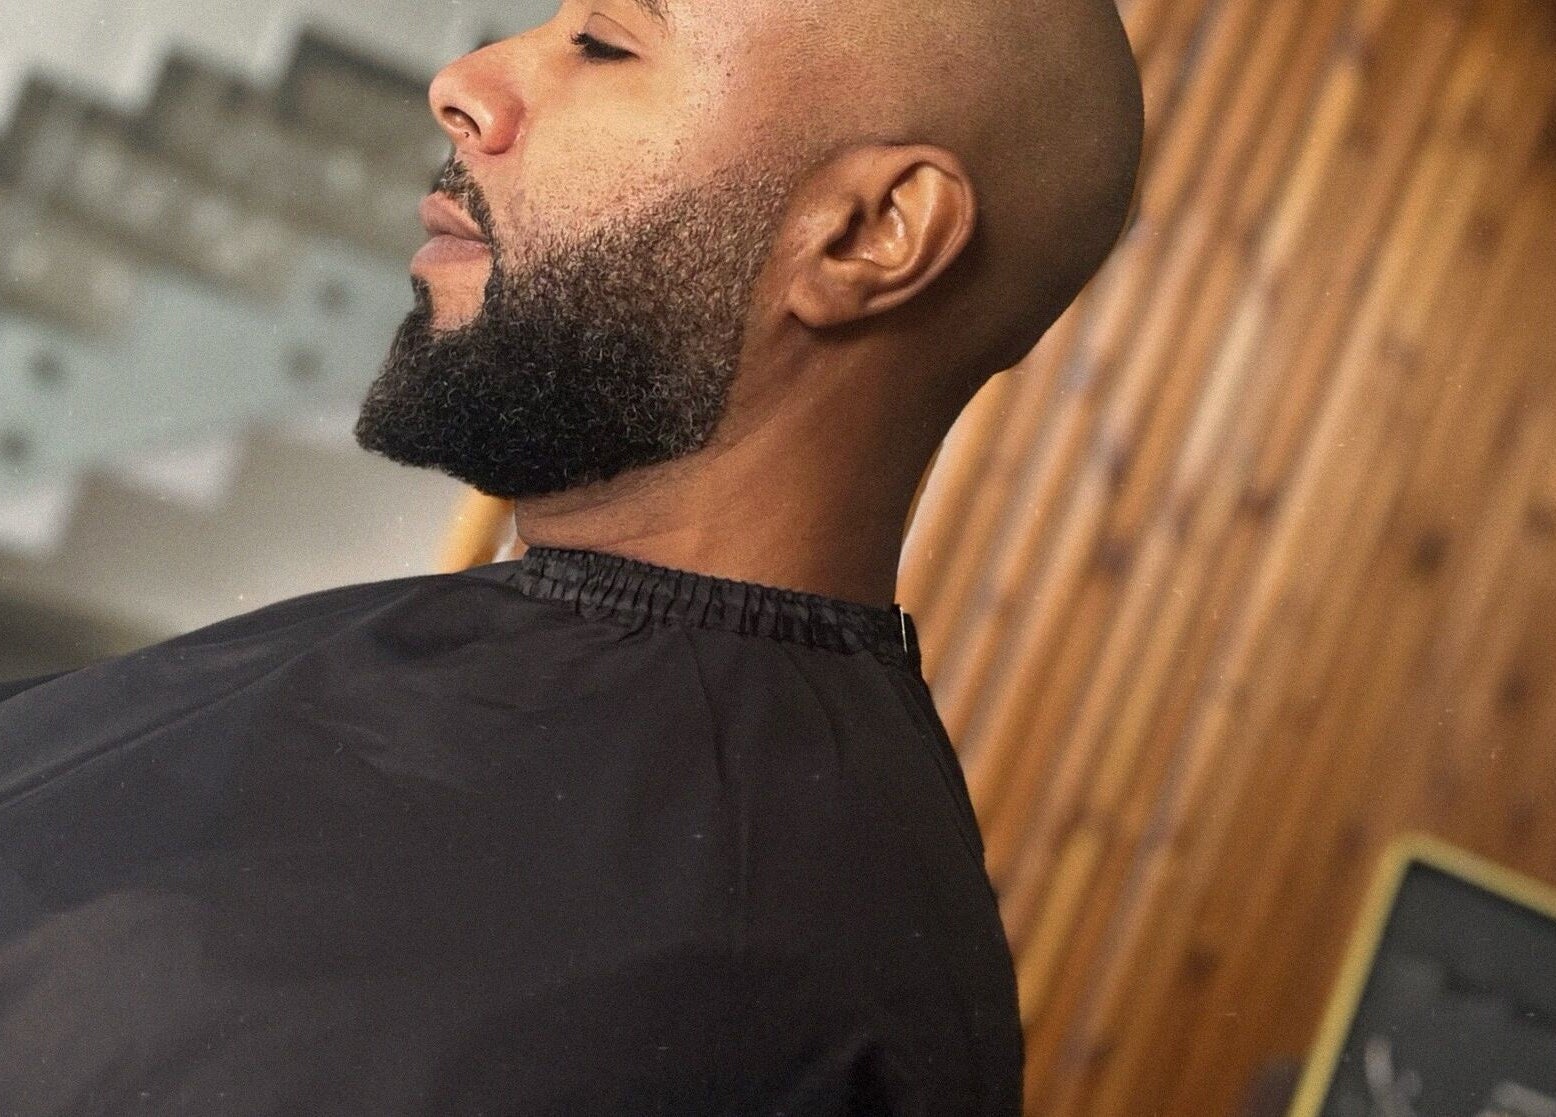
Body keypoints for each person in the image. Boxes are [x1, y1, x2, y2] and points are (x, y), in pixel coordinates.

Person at [0, 0, 1142, 1111]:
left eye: (603, 44)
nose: (468, 85)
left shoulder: (725, 977)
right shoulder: (584, 709)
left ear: (864, 234)